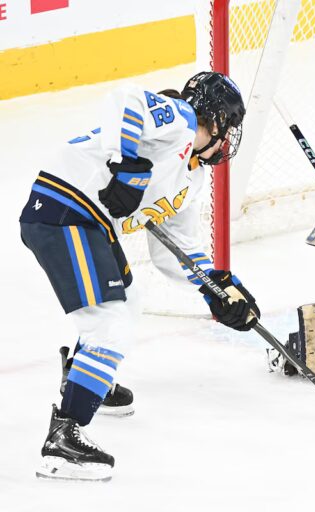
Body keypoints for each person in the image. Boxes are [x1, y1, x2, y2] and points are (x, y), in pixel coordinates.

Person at [19, 71, 260, 481]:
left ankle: (87, 380)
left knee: (126, 304)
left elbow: (177, 250)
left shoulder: (191, 177)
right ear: (216, 121)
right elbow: (125, 100)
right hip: (64, 207)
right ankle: (64, 437)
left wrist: (215, 285)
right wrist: (128, 161)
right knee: (108, 324)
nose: (227, 141)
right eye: (229, 128)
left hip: (88, 221)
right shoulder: (180, 119)